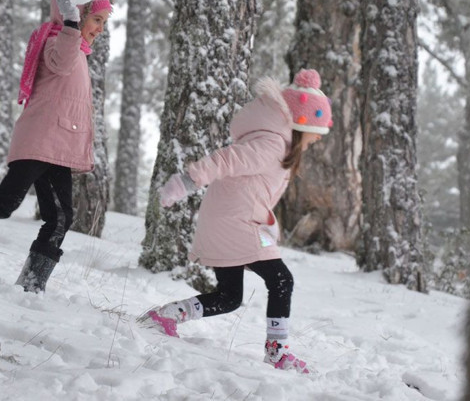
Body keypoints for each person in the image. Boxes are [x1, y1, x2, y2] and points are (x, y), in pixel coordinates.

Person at [139, 69, 333, 374]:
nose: (315, 142)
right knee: (281, 279)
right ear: (300, 125)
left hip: (236, 221)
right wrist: (187, 182)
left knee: (230, 297)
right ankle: (277, 353)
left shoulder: (276, 143)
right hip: (235, 223)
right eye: (315, 135)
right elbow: (225, 160)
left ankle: (168, 315)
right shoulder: (271, 144)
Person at [0, 0, 113, 293]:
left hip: (58, 148)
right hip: (39, 143)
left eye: (103, 22)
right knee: (4, 203)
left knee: (61, 218)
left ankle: (32, 286)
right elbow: (60, 64)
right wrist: (72, 21)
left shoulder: (78, 51)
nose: (100, 28)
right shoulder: (59, 42)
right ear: (75, 13)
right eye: (96, 19)